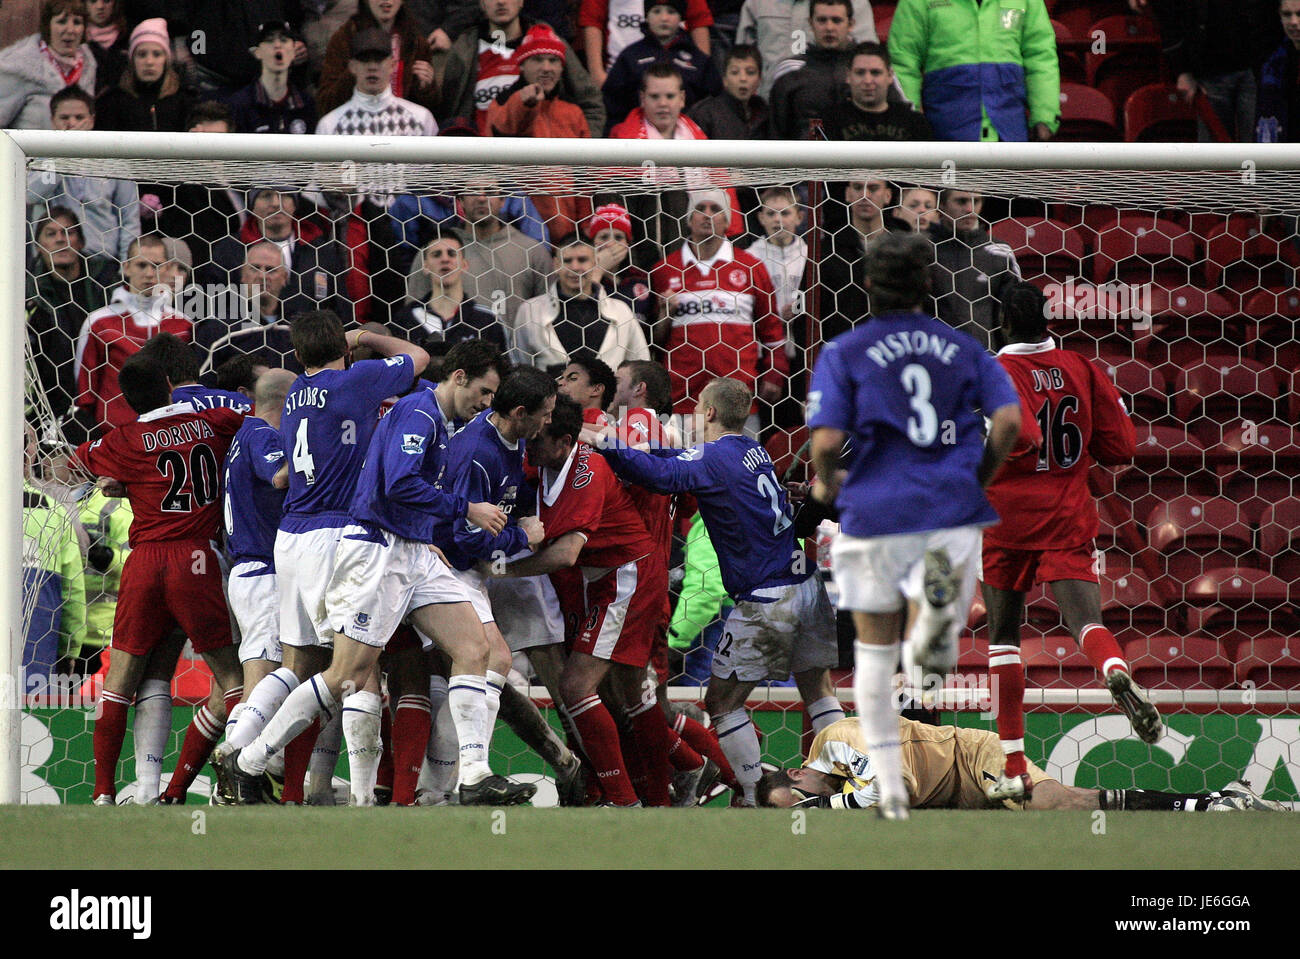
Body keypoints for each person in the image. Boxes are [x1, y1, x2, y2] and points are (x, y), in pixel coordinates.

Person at [227, 337, 537, 807]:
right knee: (346, 675)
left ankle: (474, 775)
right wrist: (467, 509)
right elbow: (399, 483)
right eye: (484, 392)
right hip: (376, 552)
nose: (487, 403)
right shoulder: (420, 414)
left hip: (414, 551)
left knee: (475, 649)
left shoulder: (442, 419)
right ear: (459, 378)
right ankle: (249, 761)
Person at [807, 231, 1022, 820]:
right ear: (930, 283)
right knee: (941, 626)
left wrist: (832, 481)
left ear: (868, 284)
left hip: (875, 514)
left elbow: (825, 441)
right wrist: (977, 476)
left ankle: (890, 788)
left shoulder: (845, 351)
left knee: (874, 657)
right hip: (949, 510)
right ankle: (934, 630)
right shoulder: (963, 347)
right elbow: (1007, 420)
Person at [583, 376, 844, 806]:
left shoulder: (714, 458)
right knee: (818, 690)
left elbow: (663, 476)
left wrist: (609, 448)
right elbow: (677, 458)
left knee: (721, 702)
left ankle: (750, 794)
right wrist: (618, 440)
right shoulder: (752, 449)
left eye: (697, 409)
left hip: (766, 597)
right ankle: (840, 783)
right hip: (805, 584)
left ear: (707, 412)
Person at [222, 312, 429, 804]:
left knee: (296, 666)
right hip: (339, 533)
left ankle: (236, 752)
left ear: (297, 355)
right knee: (360, 669)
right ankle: (359, 798)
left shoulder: (293, 391)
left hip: (290, 536)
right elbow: (418, 358)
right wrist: (367, 338)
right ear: (346, 347)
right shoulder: (357, 378)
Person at [981, 282, 1160, 802]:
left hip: (1005, 518)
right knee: (1087, 622)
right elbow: (1121, 445)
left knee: (1003, 636)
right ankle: (1114, 668)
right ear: (1046, 317)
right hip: (1067, 511)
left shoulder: (991, 374)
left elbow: (1011, 438)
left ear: (1002, 322)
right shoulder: (1082, 367)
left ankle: (1014, 766)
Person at [72, 352, 246, 805]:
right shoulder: (215, 420)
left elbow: (82, 458)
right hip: (196, 559)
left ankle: (104, 793)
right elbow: (252, 411)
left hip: (145, 561)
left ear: (127, 400)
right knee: (233, 679)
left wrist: (123, 479)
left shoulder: (126, 437)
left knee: (123, 679)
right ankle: (230, 777)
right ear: (172, 383)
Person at [490, 395, 678, 807]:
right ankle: (669, 790)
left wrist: (501, 570)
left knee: (576, 687)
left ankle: (624, 800)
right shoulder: (544, 460)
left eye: (537, 440)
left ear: (563, 442)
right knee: (632, 696)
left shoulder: (586, 472)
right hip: (608, 579)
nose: (528, 445)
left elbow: (565, 554)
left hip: (627, 576)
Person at [434, 366, 588, 805]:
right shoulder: (474, 453)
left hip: (471, 570)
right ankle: (462, 779)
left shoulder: (510, 437)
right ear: (520, 412)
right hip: (447, 568)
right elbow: (464, 536)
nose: (547, 425)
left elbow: (504, 499)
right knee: (483, 661)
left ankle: (466, 779)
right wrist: (523, 535)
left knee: (488, 663)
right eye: (543, 415)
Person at [756, 717, 1289, 812]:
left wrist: (829, 805)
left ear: (800, 772)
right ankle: (1216, 799)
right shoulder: (839, 776)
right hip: (958, 792)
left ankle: (1209, 803)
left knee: (1052, 801)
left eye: (806, 798)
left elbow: (891, 789)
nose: (816, 806)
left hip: (971, 758)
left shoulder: (838, 741)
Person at [211, 368, 294, 799]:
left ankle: (246, 773)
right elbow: (280, 476)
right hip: (261, 571)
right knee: (260, 674)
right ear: (287, 401)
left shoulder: (244, 434)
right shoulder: (263, 434)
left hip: (251, 570)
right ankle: (235, 763)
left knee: (268, 673)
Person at [650, 189, 785, 418]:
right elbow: (653, 342)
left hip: (738, 397)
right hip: (683, 398)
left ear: (728, 220)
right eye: (700, 209)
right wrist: (665, 316)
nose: (707, 215)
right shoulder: (664, 270)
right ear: (689, 219)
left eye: (716, 209)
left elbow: (771, 328)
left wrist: (775, 372)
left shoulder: (751, 267)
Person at [887, 0, 1059, 142]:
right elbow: (903, 62)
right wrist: (908, 121)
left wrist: (1044, 116)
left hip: (1009, 131)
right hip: (944, 132)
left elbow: (1040, 57)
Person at [74, 234, 193, 433]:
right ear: (126, 267)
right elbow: (85, 394)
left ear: (166, 268)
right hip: (113, 437)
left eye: (156, 265)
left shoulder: (183, 325)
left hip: (168, 436)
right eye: (141, 265)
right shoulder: (99, 323)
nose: (149, 273)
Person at [485, 24, 594, 241]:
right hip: (519, 232)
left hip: (570, 237)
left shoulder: (573, 112)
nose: (546, 68)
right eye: (537, 60)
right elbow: (505, 129)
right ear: (522, 66)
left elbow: (586, 179)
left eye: (553, 61)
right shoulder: (504, 102)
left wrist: (585, 230)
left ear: (562, 68)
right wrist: (525, 103)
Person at [439, 0, 604, 136]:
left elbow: (591, 102)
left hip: (547, 161)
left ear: (521, 2)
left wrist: (582, 150)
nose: (501, 2)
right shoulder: (463, 50)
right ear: (481, 4)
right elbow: (446, 109)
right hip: (482, 163)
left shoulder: (551, 44)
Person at [26, 208, 115, 442]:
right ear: (37, 246)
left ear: (81, 242)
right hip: (52, 400)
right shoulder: (29, 294)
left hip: (103, 395)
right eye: (50, 233)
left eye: (68, 232)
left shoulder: (104, 281)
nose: (60, 239)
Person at [27, 85, 139, 263]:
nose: (71, 124)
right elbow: (31, 195)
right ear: (52, 121)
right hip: (54, 261)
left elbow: (129, 220)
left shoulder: (114, 160)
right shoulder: (42, 157)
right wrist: (64, 151)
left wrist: (126, 266)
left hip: (103, 260)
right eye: (64, 118)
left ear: (92, 120)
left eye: (79, 117)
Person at [511, 238, 651, 370]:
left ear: (596, 262)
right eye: (567, 261)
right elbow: (520, 368)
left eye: (582, 260)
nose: (575, 267)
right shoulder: (530, 311)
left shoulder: (621, 311)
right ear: (556, 265)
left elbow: (640, 367)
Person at [601, 0, 722, 133]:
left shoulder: (698, 59)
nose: (664, 18)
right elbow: (612, 106)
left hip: (689, 141)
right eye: (657, 11)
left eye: (671, 12)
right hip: (635, 141)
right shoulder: (630, 57)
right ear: (647, 16)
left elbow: (714, 104)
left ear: (681, 17)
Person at [928, 188, 1022, 351]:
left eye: (976, 201)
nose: (970, 209)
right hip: (934, 358)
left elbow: (1013, 317)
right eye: (961, 201)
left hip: (984, 359)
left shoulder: (998, 251)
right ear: (942, 205)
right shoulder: (923, 250)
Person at [194, 241, 304, 376]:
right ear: (243, 275)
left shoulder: (298, 328)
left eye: (271, 270)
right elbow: (203, 385)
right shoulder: (219, 329)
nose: (262, 276)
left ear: (284, 278)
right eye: (255, 268)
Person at [317, 0, 438, 117]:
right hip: (355, 124)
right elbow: (325, 105)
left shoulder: (416, 42)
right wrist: (356, 71)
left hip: (401, 126)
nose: (386, 1)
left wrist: (426, 89)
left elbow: (432, 110)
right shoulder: (345, 38)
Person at [392, 231, 509, 350]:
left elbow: (504, 366)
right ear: (425, 266)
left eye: (452, 254)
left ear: (464, 265)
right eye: (436, 254)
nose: (445, 259)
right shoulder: (405, 319)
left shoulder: (487, 320)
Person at [736, 0, 878, 98]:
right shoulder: (758, 3)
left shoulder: (855, 4)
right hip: (770, 103)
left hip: (832, 105)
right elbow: (742, 58)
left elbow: (870, 58)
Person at [315, 26, 438, 137]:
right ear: (352, 66)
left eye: (379, 60)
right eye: (365, 60)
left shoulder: (421, 119)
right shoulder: (330, 126)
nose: (372, 67)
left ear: (392, 65)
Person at [767, 0, 859, 139]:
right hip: (805, 158)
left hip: (860, 158)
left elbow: (898, 120)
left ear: (851, 24)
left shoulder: (871, 69)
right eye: (822, 20)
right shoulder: (790, 71)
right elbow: (775, 133)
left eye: (836, 20)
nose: (829, 27)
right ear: (810, 23)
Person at [0, 0, 96, 130]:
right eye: (62, 21)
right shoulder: (16, 67)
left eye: (77, 22)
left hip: (78, 149)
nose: (70, 30)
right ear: (48, 25)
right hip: (29, 149)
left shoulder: (90, 67)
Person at [580, 0, 713, 88]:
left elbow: (699, 21)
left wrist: (702, 72)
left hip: (679, 79)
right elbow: (592, 19)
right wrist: (597, 74)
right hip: (620, 75)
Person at [94, 18, 193, 132]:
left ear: (166, 60)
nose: (149, 62)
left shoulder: (185, 102)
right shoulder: (110, 103)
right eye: (142, 54)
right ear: (132, 60)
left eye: (157, 54)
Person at [824, 41, 931, 141]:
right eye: (860, 73)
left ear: (890, 75)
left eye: (875, 73)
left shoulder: (915, 123)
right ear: (848, 76)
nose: (868, 81)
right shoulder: (828, 122)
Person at [224, 20, 317, 134]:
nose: (277, 45)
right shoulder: (240, 105)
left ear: (294, 51)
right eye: (269, 41)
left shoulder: (306, 104)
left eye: (283, 40)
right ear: (257, 52)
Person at [686, 43, 769, 140]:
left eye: (750, 72)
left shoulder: (765, 114)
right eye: (735, 72)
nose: (743, 78)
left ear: (759, 79)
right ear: (724, 80)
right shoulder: (705, 114)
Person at [83, 0, 126, 94]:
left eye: (106, 1)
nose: (100, 6)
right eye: (93, 1)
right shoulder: (77, 39)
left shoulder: (129, 38)